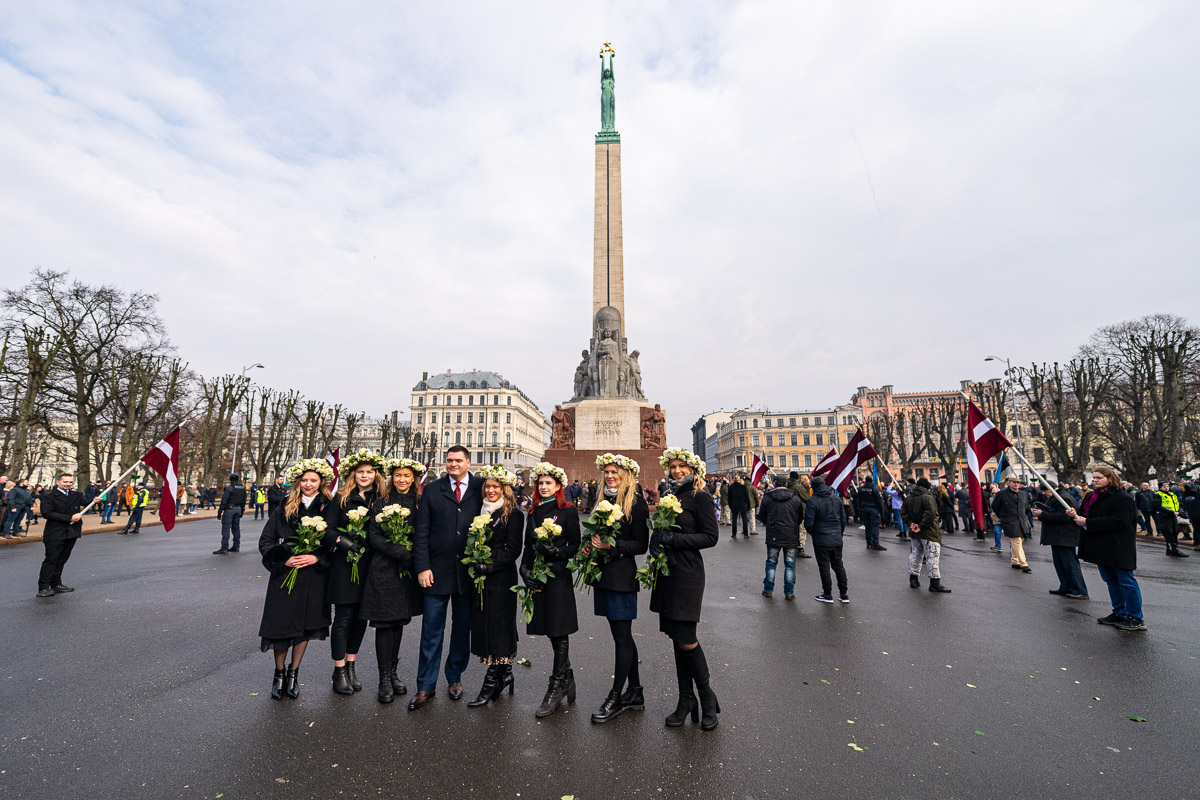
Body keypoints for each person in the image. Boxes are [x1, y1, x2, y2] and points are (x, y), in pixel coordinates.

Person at [652, 447, 721, 731]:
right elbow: (665, 530)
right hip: (668, 573)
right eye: (673, 466)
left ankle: (707, 697)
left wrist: (673, 541)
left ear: (692, 469)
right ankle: (685, 700)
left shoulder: (700, 497)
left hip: (687, 573)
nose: (677, 470)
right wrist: (656, 540)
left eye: (682, 466)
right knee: (676, 636)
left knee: (686, 637)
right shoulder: (671, 496)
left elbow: (711, 537)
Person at [409, 445, 482, 710]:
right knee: (431, 631)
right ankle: (425, 685)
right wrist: (422, 567)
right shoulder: (432, 489)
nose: (453, 464)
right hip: (435, 573)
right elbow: (421, 533)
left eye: (458, 460)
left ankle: (454, 678)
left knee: (462, 630)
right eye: (449, 460)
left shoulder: (481, 487)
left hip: (467, 573)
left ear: (468, 462)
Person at [257, 458, 336, 700]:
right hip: (286, 576)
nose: (308, 484)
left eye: (313, 480)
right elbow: (266, 541)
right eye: (304, 480)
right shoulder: (285, 505)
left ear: (321, 481)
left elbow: (333, 543)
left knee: (305, 626)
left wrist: (317, 558)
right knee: (280, 626)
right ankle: (279, 673)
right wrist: (283, 560)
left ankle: (294, 673)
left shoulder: (329, 507)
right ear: (298, 482)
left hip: (313, 577)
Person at [586, 453, 649, 723]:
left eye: (615, 472)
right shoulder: (602, 500)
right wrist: (588, 544)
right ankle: (635, 691)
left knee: (622, 637)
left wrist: (613, 546)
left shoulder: (636, 503)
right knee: (621, 635)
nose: (610, 476)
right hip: (604, 576)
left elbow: (641, 545)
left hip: (622, 578)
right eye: (607, 472)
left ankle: (616, 696)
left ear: (626, 476)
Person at [361, 457, 426, 704]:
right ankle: (383, 679)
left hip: (406, 572)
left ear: (414, 478)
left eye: (406, 476)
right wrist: (396, 550)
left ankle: (394, 673)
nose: (401, 480)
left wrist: (412, 556)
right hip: (384, 570)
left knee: (398, 622)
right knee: (384, 624)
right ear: (391, 478)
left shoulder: (420, 503)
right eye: (397, 476)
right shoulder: (381, 503)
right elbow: (373, 536)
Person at [520, 461, 581, 718]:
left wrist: (557, 552)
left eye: (548, 483)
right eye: (540, 483)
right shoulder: (533, 512)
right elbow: (526, 548)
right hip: (537, 577)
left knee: (559, 630)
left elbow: (575, 545)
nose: (544, 487)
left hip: (557, 578)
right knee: (548, 630)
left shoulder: (567, 511)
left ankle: (555, 686)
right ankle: (567, 678)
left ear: (558, 486)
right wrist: (524, 572)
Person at [325, 449, 386, 695]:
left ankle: (351, 665)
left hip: (369, 565)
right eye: (360, 472)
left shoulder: (380, 498)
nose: (364, 475)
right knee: (343, 619)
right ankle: (338, 670)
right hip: (344, 564)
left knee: (361, 619)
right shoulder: (341, 497)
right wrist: (343, 541)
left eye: (369, 472)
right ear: (353, 473)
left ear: (376, 474)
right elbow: (327, 530)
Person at [466, 465, 524, 708]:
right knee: (485, 625)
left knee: (499, 626)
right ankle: (504, 673)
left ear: (505, 489)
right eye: (487, 487)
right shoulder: (479, 511)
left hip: (500, 579)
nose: (490, 490)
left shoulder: (513, 514)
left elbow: (513, 550)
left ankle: (492, 680)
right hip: (480, 578)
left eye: (495, 487)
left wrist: (488, 566)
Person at [1072, 467, 1146, 632]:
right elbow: (1087, 514)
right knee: (1111, 581)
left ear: (1110, 478)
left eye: (1099, 477)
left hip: (1119, 546)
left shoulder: (1123, 498)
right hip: (1101, 546)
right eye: (1094, 477)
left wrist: (1088, 522)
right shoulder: (1092, 496)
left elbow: (1120, 521)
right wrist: (1075, 515)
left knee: (1126, 582)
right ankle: (1119, 612)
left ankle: (1135, 617)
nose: (1095, 480)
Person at [1032, 485, 1087, 598]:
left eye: (1045, 490)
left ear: (1053, 489)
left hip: (1064, 537)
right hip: (1058, 537)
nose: (1043, 493)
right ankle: (1065, 587)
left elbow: (1063, 517)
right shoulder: (1056, 497)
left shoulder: (1064, 498)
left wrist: (1042, 514)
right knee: (1060, 564)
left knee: (1070, 564)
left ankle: (1079, 590)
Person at [37, 472, 84, 598]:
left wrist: (97, 498)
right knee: (51, 560)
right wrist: (70, 517)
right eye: (65, 482)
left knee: (62, 560)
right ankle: (43, 587)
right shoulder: (49, 496)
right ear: (58, 482)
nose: (68, 484)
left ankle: (56, 584)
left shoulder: (76, 494)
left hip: (71, 532)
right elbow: (47, 513)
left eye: (70, 482)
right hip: (55, 532)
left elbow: (86, 502)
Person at [901, 478, 951, 592]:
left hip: (914, 532)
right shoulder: (928, 497)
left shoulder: (909, 498)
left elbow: (903, 512)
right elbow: (931, 514)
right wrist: (921, 526)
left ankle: (913, 579)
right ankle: (934, 583)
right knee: (932, 556)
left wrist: (911, 524)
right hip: (929, 532)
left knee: (915, 555)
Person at [758, 474, 801, 600]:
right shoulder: (795, 498)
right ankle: (789, 592)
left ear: (775, 483)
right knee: (790, 564)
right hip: (791, 535)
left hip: (774, 534)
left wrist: (769, 524)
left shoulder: (768, 497)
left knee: (771, 563)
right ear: (786, 484)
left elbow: (762, 516)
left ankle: (768, 589)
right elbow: (800, 517)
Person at [805, 475, 848, 604]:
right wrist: (839, 533)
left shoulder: (813, 501)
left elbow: (808, 522)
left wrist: (813, 533)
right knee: (838, 565)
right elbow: (843, 520)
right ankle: (844, 593)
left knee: (824, 567)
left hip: (821, 538)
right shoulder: (836, 499)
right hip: (836, 537)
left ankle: (828, 594)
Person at [992, 476, 1032, 573]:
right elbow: (995, 506)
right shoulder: (1002, 494)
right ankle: (1024, 564)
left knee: (1019, 541)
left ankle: (1015, 561)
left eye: (1017, 483)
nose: (1016, 484)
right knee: (1016, 541)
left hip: (1021, 521)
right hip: (1009, 521)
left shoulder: (1023, 494)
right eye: (1014, 482)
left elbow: (1026, 506)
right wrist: (1002, 516)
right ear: (1009, 483)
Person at [1152, 484, 1189, 558]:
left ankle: (1171, 549)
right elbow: (1158, 506)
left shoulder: (1172, 494)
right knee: (1169, 532)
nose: (1166, 488)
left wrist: (1179, 512)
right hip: (1164, 516)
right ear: (1160, 487)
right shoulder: (1158, 494)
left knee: (1175, 531)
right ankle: (1173, 549)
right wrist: (1171, 512)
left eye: (1167, 486)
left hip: (1173, 516)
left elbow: (1176, 504)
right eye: (1164, 486)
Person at [214, 474, 247, 554]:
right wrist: (242, 510)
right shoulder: (242, 488)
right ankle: (236, 546)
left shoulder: (229, 488)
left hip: (230, 509)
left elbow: (224, 501)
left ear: (230, 479)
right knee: (236, 528)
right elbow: (244, 500)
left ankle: (224, 548)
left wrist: (220, 511)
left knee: (226, 528)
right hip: (238, 508)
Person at [854, 476, 887, 551]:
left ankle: (869, 543)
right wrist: (882, 513)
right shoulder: (875, 489)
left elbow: (858, 500)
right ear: (872, 481)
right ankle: (875, 543)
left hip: (865, 509)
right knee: (875, 526)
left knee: (867, 526)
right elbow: (879, 502)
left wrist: (859, 510)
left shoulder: (861, 489)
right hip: (873, 509)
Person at [727, 474, 751, 540]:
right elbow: (747, 497)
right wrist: (748, 506)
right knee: (744, 520)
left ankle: (734, 534)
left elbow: (729, 498)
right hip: (742, 505)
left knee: (734, 520)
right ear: (739, 480)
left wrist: (730, 505)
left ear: (734, 480)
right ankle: (746, 534)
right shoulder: (743, 487)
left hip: (734, 505)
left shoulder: (731, 487)